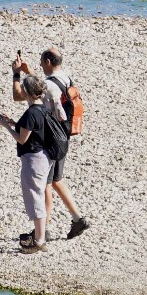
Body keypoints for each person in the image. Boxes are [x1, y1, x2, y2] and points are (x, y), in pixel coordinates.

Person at [11, 48, 90, 238]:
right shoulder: (64, 77)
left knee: (46, 184)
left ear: (47, 61)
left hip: (50, 140)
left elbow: (20, 96)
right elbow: (41, 88)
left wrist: (16, 74)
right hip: (62, 136)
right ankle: (78, 219)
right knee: (55, 180)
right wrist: (28, 72)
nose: (39, 65)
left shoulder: (49, 84)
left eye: (41, 61)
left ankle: (43, 230)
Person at [0, 75, 62, 252]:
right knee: (38, 195)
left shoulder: (31, 112)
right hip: (45, 157)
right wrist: (14, 122)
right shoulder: (42, 110)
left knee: (35, 198)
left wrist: (7, 127)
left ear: (26, 92)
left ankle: (39, 241)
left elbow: (22, 139)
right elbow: (34, 132)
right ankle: (39, 237)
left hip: (34, 160)